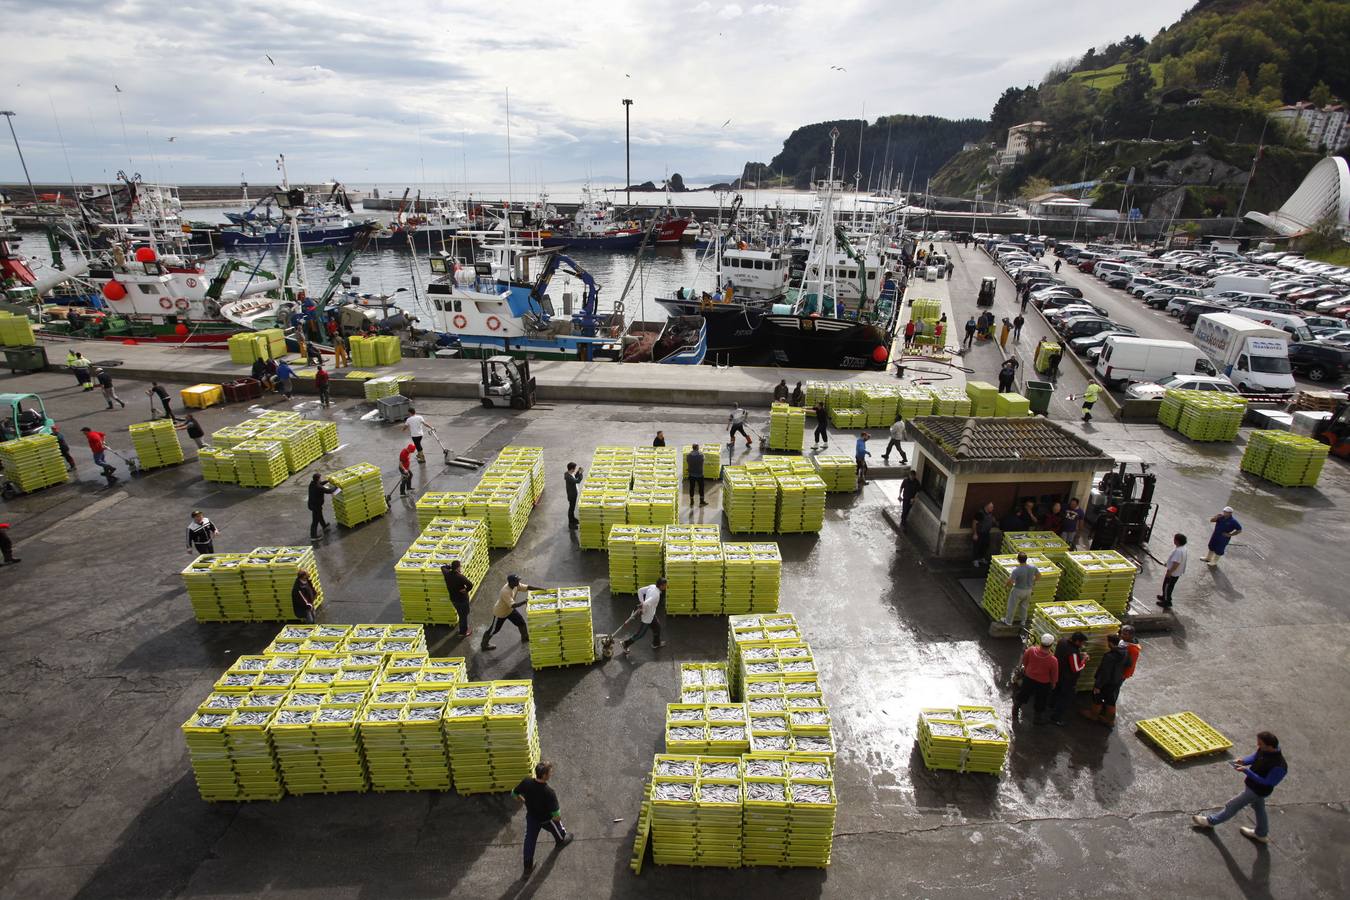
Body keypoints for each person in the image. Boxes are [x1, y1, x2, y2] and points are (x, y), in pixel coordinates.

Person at [1191, 731, 1288, 844]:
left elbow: (1268, 783)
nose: (1258, 746)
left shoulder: (1279, 766)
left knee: (1233, 805)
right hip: (1252, 787)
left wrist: (1247, 771)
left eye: (1260, 744)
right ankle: (1261, 833)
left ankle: (1210, 821)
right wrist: (1243, 761)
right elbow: (1255, 756)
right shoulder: (1265, 750)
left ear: (1270, 746)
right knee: (1259, 809)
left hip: (1257, 791)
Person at [513, 761, 574, 876]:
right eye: (550, 772)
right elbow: (556, 816)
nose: (552, 773)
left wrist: (523, 800)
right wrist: (556, 821)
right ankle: (561, 840)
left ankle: (527, 867)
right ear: (544, 776)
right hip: (546, 819)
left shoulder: (526, 782)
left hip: (531, 817)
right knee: (558, 829)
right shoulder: (549, 792)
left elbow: (514, 793)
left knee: (529, 840)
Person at [1080, 633, 1128, 726]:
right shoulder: (1125, 651)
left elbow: (1104, 673)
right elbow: (1128, 664)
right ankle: (1109, 720)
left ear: (1110, 643)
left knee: (1097, 698)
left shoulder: (1109, 656)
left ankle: (1093, 715)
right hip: (1116, 681)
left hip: (1106, 682)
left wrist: (1098, 686)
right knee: (1111, 701)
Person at [1012, 633, 1059, 724]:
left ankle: (1015, 711)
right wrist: (1053, 684)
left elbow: (1025, 661)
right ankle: (1037, 719)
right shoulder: (1053, 660)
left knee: (1023, 695)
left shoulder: (1031, 650)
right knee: (1041, 700)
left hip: (1029, 678)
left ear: (1040, 642)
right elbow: (1054, 674)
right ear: (1051, 645)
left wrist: (1027, 669)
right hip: (1043, 683)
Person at [482, 574, 532, 650]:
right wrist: (525, 601)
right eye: (517, 581)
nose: (519, 582)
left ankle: (525, 637)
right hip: (500, 613)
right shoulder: (505, 591)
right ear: (512, 582)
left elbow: (527, 587)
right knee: (494, 630)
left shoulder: (515, 585)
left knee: (521, 623)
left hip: (510, 610)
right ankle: (484, 645)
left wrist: (541, 589)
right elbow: (514, 605)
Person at [1050, 632, 1088, 725]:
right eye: (1082, 643)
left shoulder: (1062, 641)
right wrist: (1084, 660)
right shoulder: (1073, 653)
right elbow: (1076, 668)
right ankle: (1056, 717)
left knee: (1055, 691)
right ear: (1077, 641)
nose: (1082, 645)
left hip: (1058, 672)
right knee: (1065, 698)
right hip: (1067, 679)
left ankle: (1050, 705)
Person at [622, 577, 667, 654]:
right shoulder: (656, 595)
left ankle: (656, 643)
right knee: (640, 634)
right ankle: (625, 644)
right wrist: (643, 607)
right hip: (647, 617)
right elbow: (645, 604)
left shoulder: (652, 586)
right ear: (661, 586)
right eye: (665, 585)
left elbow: (640, 591)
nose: (666, 586)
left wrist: (642, 602)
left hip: (651, 614)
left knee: (657, 628)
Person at [1003, 552, 1041, 628]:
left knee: (1012, 606)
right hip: (1028, 590)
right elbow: (1039, 576)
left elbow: (1011, 581)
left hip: (1018, 590)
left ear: (1018, 560)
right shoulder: (1033, 567)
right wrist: (1033, 581)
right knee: (1024, 607)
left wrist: (1006, 586)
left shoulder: (1016, 570)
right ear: (1026, 559)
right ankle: (1023, 621)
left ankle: (1008, 622)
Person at [440, 559, 474, 637]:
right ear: (458, 568)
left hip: (453, 599)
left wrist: (449, 567)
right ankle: (463, 632)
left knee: (461, 613)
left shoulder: (447, 574)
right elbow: (470, 585)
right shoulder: (460, 577)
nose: (461, 568)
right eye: (460, 566)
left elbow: (442, 567)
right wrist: (465, 590)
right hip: (462, 599)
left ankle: (463, 627)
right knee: (463, 615)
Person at [1158, 533, 1188, 609]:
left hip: (1173, 573)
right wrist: (1167, 564)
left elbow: (1176, 563)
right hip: (1177, 572)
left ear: (1177, 541)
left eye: (1174, 539)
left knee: (1167, 587)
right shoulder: (1183, 548)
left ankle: (1167, 602)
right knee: (1169, 587)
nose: (1173, 540)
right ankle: (1164, 597)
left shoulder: (1178, 551)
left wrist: (1170, 572)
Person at [307, 473, 336, 540]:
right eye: (320, 478)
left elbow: (321, 483)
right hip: (315, 506)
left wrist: (327, 481)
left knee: (319, 515)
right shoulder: (318, 487)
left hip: (313, 504)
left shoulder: (312, 484)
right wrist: (335, 487)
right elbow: (328, 491)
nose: (321, 479)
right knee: (315, 521)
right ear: (318, 479)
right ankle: (313, 536)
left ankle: (324, 526)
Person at [971, 501, 996, 569]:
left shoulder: (990, 513)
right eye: (991, 507)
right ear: (987, 507)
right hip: (980, 533)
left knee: (985, 546)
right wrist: (975, 533)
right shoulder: (980, 513)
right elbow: (974, 523)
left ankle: (981, 558)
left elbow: (991, 519)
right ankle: (975, 560)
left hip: (986, 533)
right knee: (977, 546)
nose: (992, 508)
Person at [564, 462, 583, 528]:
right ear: (571, 469)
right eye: (574, 468)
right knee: (571, 509)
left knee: (572, 508)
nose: (575, 469)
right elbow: (577, 481)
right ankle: (570, 523)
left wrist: (579, 472)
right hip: (572, 495)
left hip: (574, 493)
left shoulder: (570, 473)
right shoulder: (568, 477)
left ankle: (573, 519)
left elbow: (575, 476)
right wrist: (580, 474)